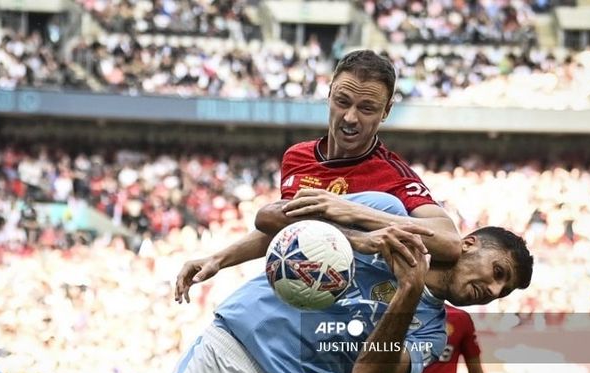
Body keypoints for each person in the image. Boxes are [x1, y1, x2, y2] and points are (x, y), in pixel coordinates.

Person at [147, 192, 533, 373]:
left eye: (505, 290)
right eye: (498, 272)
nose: (495, 291)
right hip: (231, 364)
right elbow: (272, 220)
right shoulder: (387, 212)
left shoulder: (434, 333)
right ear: (468, 244)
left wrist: (407, 293)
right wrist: (358, 237)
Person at [174, 49, 462, 306]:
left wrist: (354, 212)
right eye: (342, 101)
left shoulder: (391, 174)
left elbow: (449, 241)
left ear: (386, 111)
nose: (350, 117)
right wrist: (218, 259)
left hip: (350, 310)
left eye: (366, 108)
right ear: (329, 95)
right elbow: (285, 227)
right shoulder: (297, 157)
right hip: (304, 294)